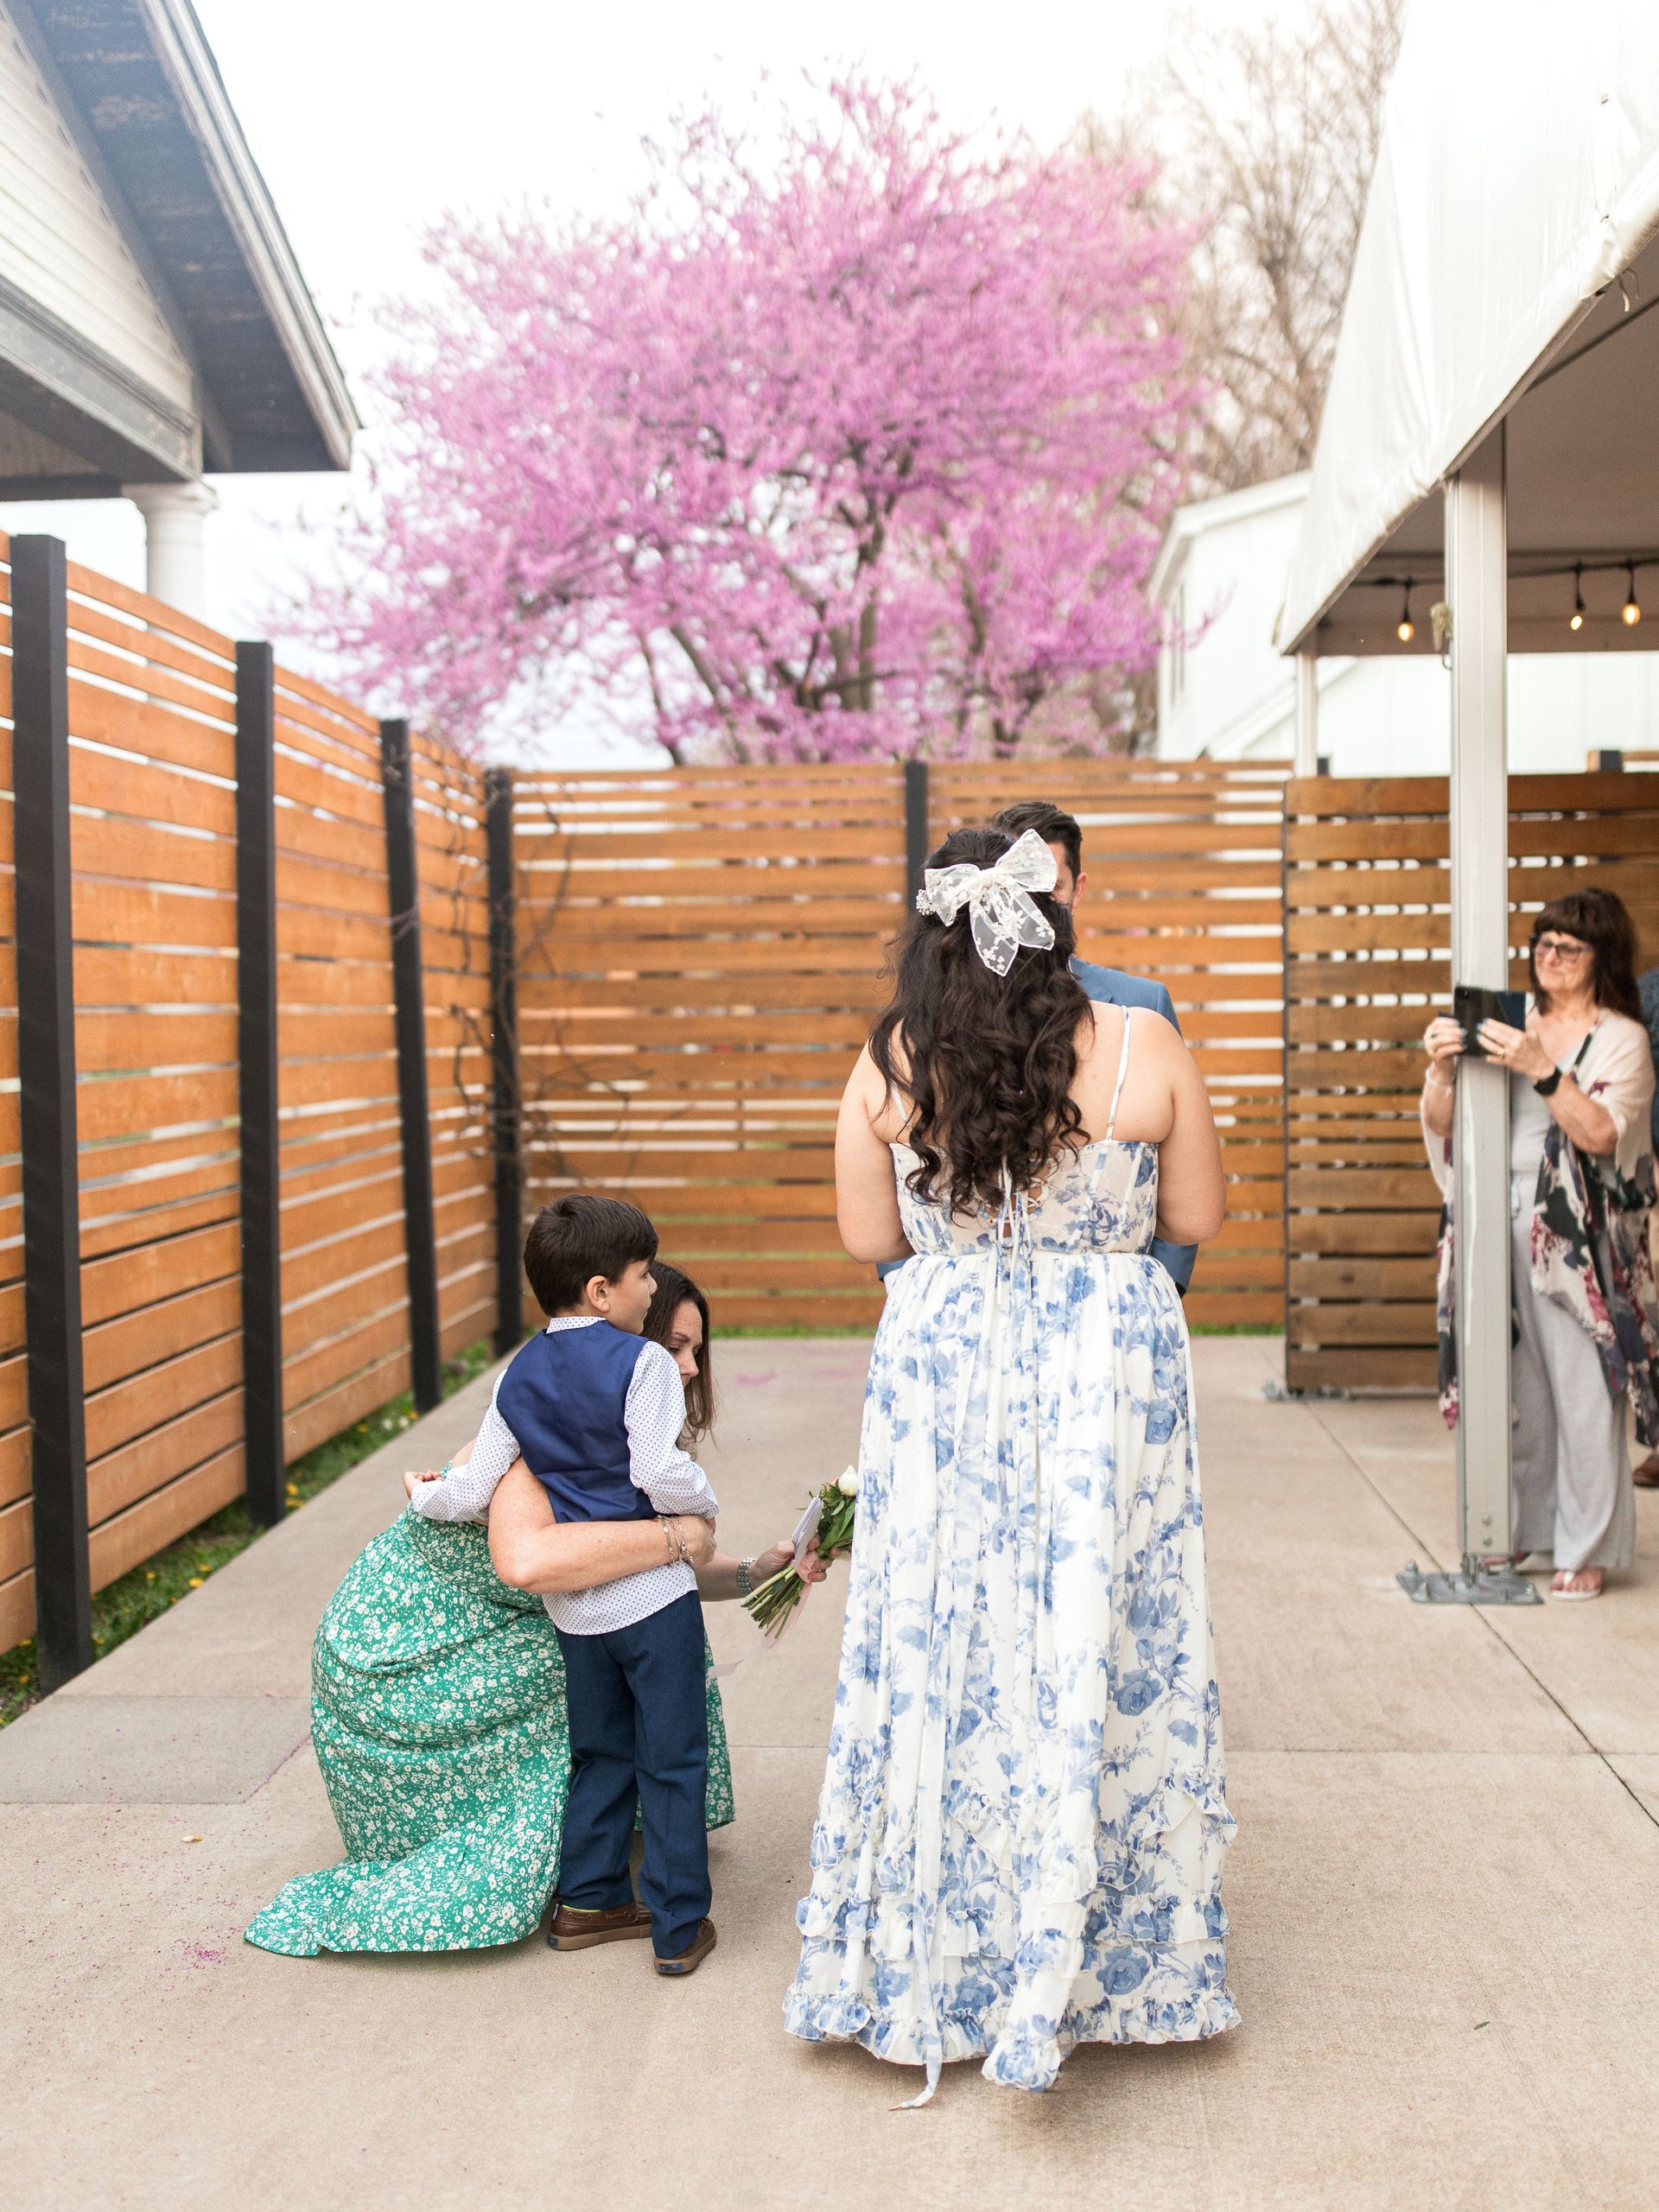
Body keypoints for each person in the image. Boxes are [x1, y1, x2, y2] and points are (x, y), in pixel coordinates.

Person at [785, 825, 1238, 2101]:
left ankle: (947, 1944)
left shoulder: (889, 1063)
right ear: (1058, 917)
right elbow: (1195, 1220)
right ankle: (1109, 1962)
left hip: (946, 1373)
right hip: (1105, 1372)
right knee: (1102, 1640)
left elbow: (871, 1235)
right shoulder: (1146, 1047)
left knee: (948, 1648)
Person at [245, 1261, 819, 1958]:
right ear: (617, 1318)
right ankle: (673, 1926)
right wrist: (691, 1520)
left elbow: (633, 1560)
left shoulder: (582, 1418)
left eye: (698, 1349)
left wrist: (758, 1572)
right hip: (414, 1659)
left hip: (551, 1617)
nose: (691, 1367)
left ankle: (590, 1898)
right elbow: (532, 1563)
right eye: (674, 1347)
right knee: (667, 1743)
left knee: (606, 1737)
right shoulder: (550, 1441)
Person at [1421, 889, 1659, 1599]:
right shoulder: (1506, 1018)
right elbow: (1442, 1121)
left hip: (1575, 1229)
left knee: (1584, 1385)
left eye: (1567, 948)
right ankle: (1521, 1530)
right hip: (1490, 1207)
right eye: (1542, 944)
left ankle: (1588, 1544)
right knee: (1512, 1380)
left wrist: (1540, 1067)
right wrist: (1439, 1069)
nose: (1548, 959)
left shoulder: (1621, 1036)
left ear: (1601, 958)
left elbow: (1601, 1134)